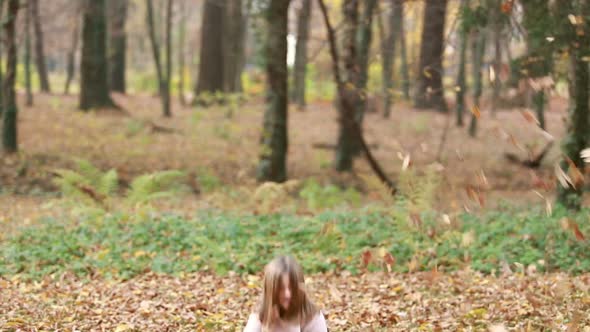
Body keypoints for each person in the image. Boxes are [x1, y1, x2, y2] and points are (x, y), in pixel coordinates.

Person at [243, 255, 328, 332]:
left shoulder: (313, 317)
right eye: (281, 288)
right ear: (271, 291)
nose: (287, 294)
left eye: (292, 287)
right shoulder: (260, 316)